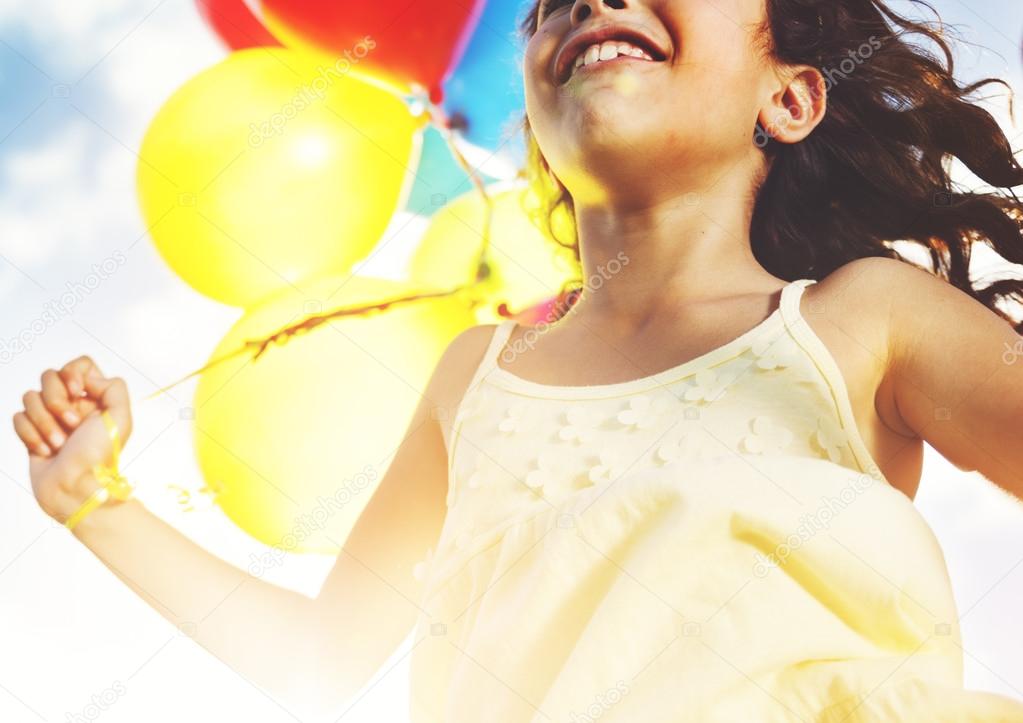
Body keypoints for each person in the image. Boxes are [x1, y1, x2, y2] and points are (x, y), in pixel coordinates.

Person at [14, 0, 1023, 720]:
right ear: (538, 130)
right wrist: (95, 501)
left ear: (794, 98)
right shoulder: (476, 374)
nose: (584, 3)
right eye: (547, 6)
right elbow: (319, 663)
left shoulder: (863, 319)